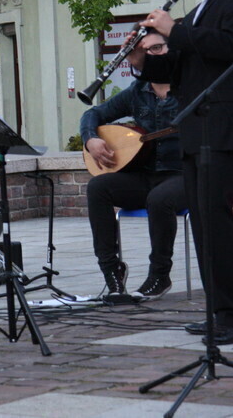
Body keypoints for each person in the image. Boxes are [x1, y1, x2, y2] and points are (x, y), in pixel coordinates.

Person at [126, 0, 233, 345]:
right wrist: (143, 57)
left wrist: (175, 30)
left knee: (215, 221)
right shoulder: (203, 5)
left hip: (221, 124)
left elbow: (230, 49)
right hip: (196, 124)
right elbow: (183, 66)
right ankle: (227, 311)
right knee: (206, 223)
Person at [81, 32, 187, 301]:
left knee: (159, 199)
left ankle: (160, 275)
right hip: (144, 174)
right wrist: (91, 138)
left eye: (159, 47)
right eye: (146, 50)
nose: (153, 54)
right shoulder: (136, 92)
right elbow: (92, 113)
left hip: (183, 174)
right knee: (98, 187)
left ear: (170, 49)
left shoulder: (189, 88)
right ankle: (112, 271)